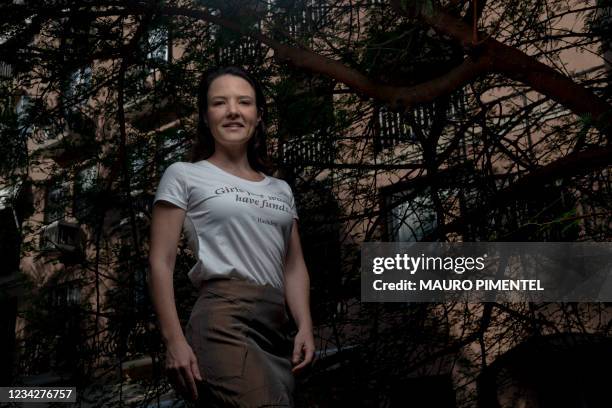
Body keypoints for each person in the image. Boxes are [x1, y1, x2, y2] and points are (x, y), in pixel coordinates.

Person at [148, 66, 315, 407]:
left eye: (244, 102)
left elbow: (294, 265)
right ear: (205, 116)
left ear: (258, 115)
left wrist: (305, 325)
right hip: (223, 320)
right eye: (219, 103)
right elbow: (160, 262)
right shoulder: (184, 175)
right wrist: (174, 340)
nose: (233, 111)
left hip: (276, 328)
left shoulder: (280, 188)